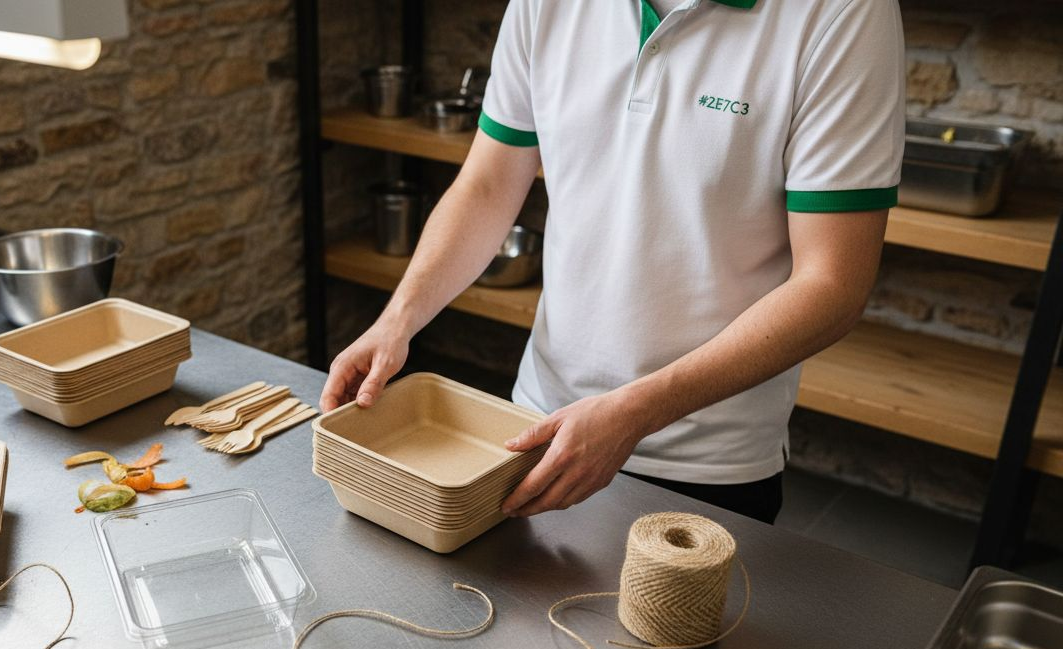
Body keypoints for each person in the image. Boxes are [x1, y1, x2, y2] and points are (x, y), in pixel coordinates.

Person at [319, 0, 905, 525]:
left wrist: (635, 411)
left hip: (705, 466)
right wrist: (398, 319)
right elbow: (489, 184)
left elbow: (833, 284)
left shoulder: (842, 13)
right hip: (534, 425)